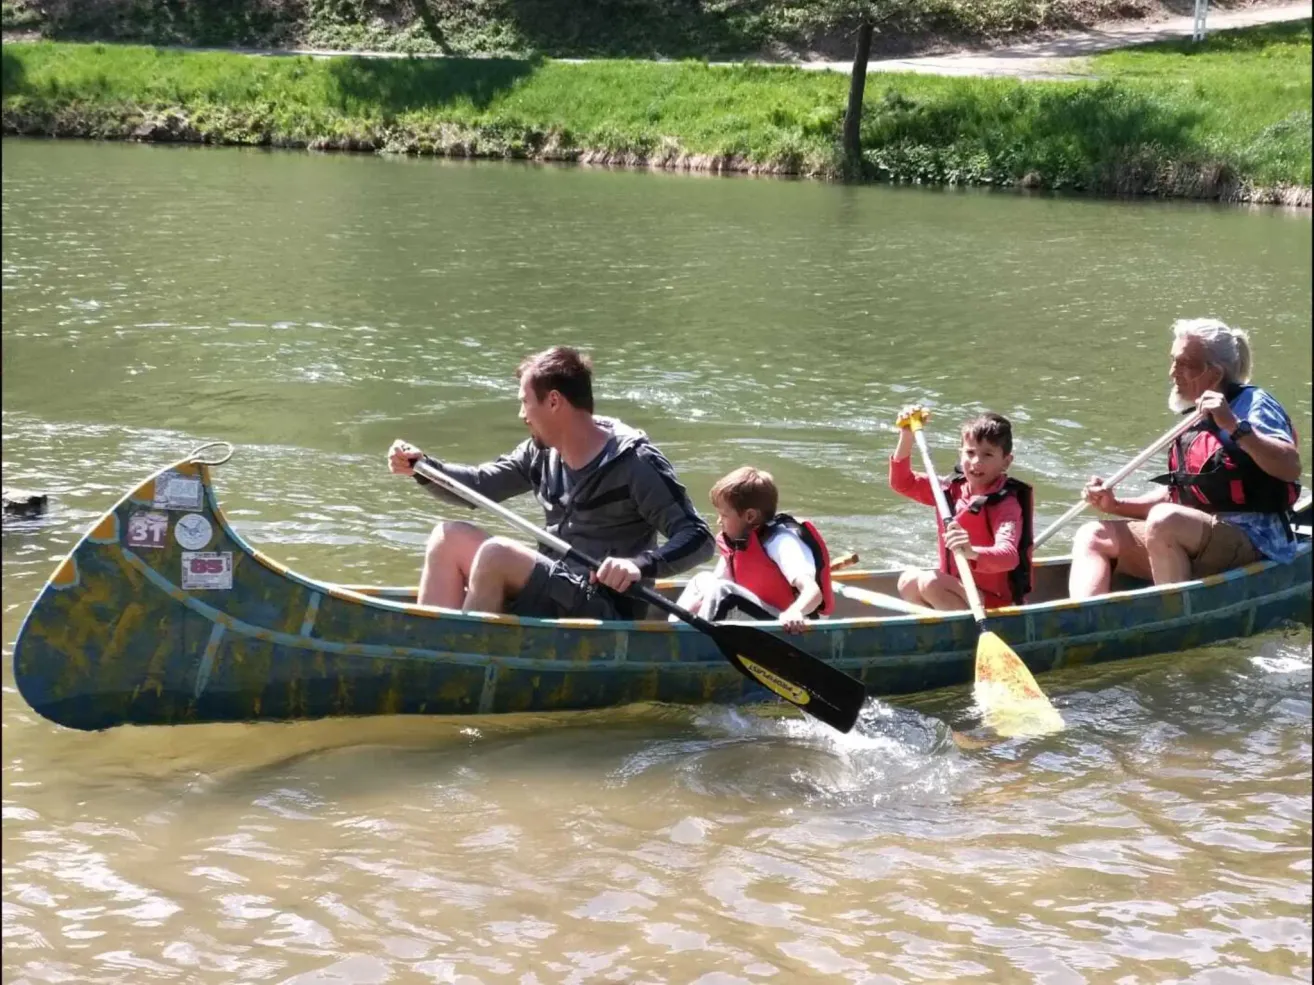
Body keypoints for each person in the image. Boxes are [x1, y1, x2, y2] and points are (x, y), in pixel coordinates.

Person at [387, 346, 713, 619]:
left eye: (525, 402)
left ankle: (463, 657)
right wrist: (423, 468)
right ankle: (430, 645)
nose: (521, 415)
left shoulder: (636, 463)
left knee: (497, 554)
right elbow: (480, 486)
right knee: (447, 537)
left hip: (605, 605)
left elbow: (698, 537)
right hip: (554, 585)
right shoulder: (540, 453)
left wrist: (637, 566)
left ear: (554, 401)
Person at [1068, 318, 1302, 598]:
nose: (1172, 373)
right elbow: (1180, 495)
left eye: (1184, 364)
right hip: (1194, 537)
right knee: (1092, 535)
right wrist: (1116, 504)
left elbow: (1290, 467)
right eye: (1173, 362)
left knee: (1164, 520)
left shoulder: (1254, 405)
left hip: (1256, 541)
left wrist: (1233, 425)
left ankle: (1172, 614)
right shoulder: (1195, 417)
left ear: (1215, 373)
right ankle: (1083, 618)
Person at [889, 408, 1034, 611]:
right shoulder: (948, 490)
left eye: (988, 454)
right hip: (957, 590)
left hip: (993, 602)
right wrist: (906, 435)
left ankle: (960, 627)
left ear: (1006, 462)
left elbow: (1009, 556)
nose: (976, 462)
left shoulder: (1006, 504)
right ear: (961, 454)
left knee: (931, 582)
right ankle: (941, 624)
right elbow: (902, 482)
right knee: (908, 580)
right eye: (970, 453)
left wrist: (972, 552)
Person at [671, 466, 834, 633]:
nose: (719, 521)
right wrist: (690, 612)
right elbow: (711, 590)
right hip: (761, 615)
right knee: (703, 580)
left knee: (723, 592)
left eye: (724, 515)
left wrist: (795, 612)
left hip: (790, 623)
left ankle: (691, 640)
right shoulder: (738, 544)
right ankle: (675, 629)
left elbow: (813, 593)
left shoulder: (781, 542)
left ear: (750, 516)